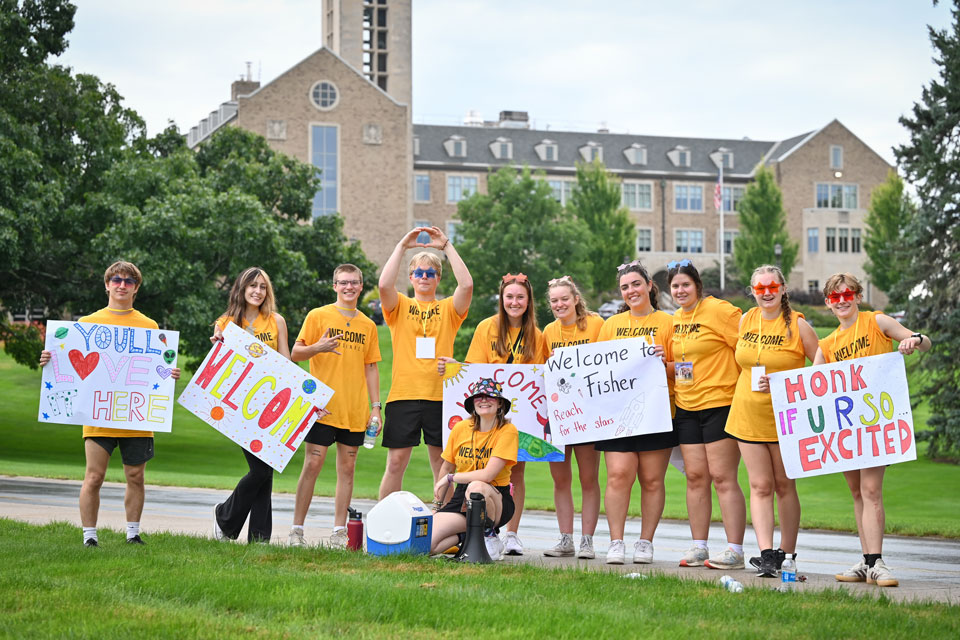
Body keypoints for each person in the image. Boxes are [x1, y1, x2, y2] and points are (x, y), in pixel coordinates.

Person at [39, 261, 181, 547]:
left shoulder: (148, 326)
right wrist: (49, 361)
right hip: (98, 414)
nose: (122, 285)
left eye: (129, 282)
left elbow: (153, 368)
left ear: (136, 288)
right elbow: (68, 362)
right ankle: (89, 536)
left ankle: (133, 533)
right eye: (116, 280)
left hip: (136, 415)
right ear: (107, 284)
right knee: (94, 476)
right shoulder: (86, 324)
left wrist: (169, 373)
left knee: (136, 476)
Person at [813, 273, 931, 588]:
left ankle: (877, 561)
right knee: (856, 493)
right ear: (828, 303)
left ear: (857, 296)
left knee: (870, 490)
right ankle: (867, 561)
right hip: (846, 429)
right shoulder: (827, 344)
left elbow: (925, 340)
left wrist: (913, 340)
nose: (842, 301)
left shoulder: (877, 322)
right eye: (835, 297)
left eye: (847, 294)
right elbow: (811, 387)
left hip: (877, 423)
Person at [439, 273, 547, 556]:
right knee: (487, 469)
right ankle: (479, 529)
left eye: (520, 297)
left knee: (517, 471)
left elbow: (541, 375)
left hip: (522, 407)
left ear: (528, 301)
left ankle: (512, 534)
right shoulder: (487, 327)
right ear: (501, 299)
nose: (514, 302)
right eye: (509, 297)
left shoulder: (537, 334)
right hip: (492, 407)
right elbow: (475, 371)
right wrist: (456, 366)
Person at [724, 265, 818, 577]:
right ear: (752, 291)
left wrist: (783, 382)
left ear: (782, 288)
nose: (766, 293)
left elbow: (821, 372)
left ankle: (787, 554)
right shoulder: (746, 319)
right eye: (760, 288)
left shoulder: (798, 325)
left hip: (785, 418)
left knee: (784, 485)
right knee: (759, 485)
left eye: (772, 287)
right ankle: (766, 554)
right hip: (747, 414)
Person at [288, 264, 382, 548]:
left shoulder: (367, 324)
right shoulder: (318, 315)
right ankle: (296, 530)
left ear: (361, 286)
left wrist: (376, 407)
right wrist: (318, 348)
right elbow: (294, 353)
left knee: (348, 469)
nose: (349, 287)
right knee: (313, 464)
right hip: (322, 408)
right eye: (343, 282)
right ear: (334, 286)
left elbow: (371, 368)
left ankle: (339, 532)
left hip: (354, 410)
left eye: (354, 282)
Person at [377, 227, 472, 498]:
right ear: (411, 277)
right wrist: (402, 247)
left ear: (438, 278)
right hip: (403, 395)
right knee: (395, 464)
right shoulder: (400, 306)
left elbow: (466, 285)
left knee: (442, 465)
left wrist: (447, 246)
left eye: (430, 273)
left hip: (440, 397)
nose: (424, 277)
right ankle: (384, 524)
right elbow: (384, 285)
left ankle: (443, 522)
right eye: (419, 273)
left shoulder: (448, 310)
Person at [596, 260, 677, 564]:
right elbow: (598, 371)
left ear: (648, 286)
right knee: (618, 475)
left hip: (657, 413)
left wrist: (665, 361)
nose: (631, 291)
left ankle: (645, 541)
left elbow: (685, 371)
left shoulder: (669, 324)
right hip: (619, 415)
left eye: (636, 284)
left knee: (652, 480)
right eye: (625, 287)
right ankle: (616, 541)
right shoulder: (611, 326)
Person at [668, 259, 747, 570]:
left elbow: (748, 347)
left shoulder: (720, 311)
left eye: (685, 284)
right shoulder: (676, 318)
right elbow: (684, 364)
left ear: (697, 285)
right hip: (686, 406)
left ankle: (735, 550)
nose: (680, 290)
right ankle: (700, 546)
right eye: (675, 286)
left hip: (720, 403)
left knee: (722, 477)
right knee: (695, 477)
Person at [211, 267, 290, 543]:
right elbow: (219, 368)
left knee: (265, 472)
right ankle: (224, 516)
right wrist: (217, 345)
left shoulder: (277, 321)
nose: (258, 291)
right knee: (259, 470)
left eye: (263, 287)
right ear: (241, 289)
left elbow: (286, 366)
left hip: (272, 407)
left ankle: (259, 538)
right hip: (240, 407)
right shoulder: (226, 322)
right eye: (252, 286)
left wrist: (306, 404)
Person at [541, 275, 604, 560]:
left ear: (576, 299)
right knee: (560, 479)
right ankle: (565, 538)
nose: (559, 304)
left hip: (589, 413)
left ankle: (587, 541)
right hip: (558, 414)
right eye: (554, 301)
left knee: (588, 478)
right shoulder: (549, 332)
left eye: (565, 299)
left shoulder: (596, 324)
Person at [431, 377, 518, 561]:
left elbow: (488, 475)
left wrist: (451, 478)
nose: (484, 400)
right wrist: (437, 506)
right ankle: (468, 537)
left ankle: (489, 535)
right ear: (472, 404)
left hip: (494, 496)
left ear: (500, 404)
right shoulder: (461, 428)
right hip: (461, 497)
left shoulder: (508, 430)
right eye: (478, 397)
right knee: (428, 545)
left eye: (490, 396)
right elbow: (446, 466)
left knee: (477, 486)